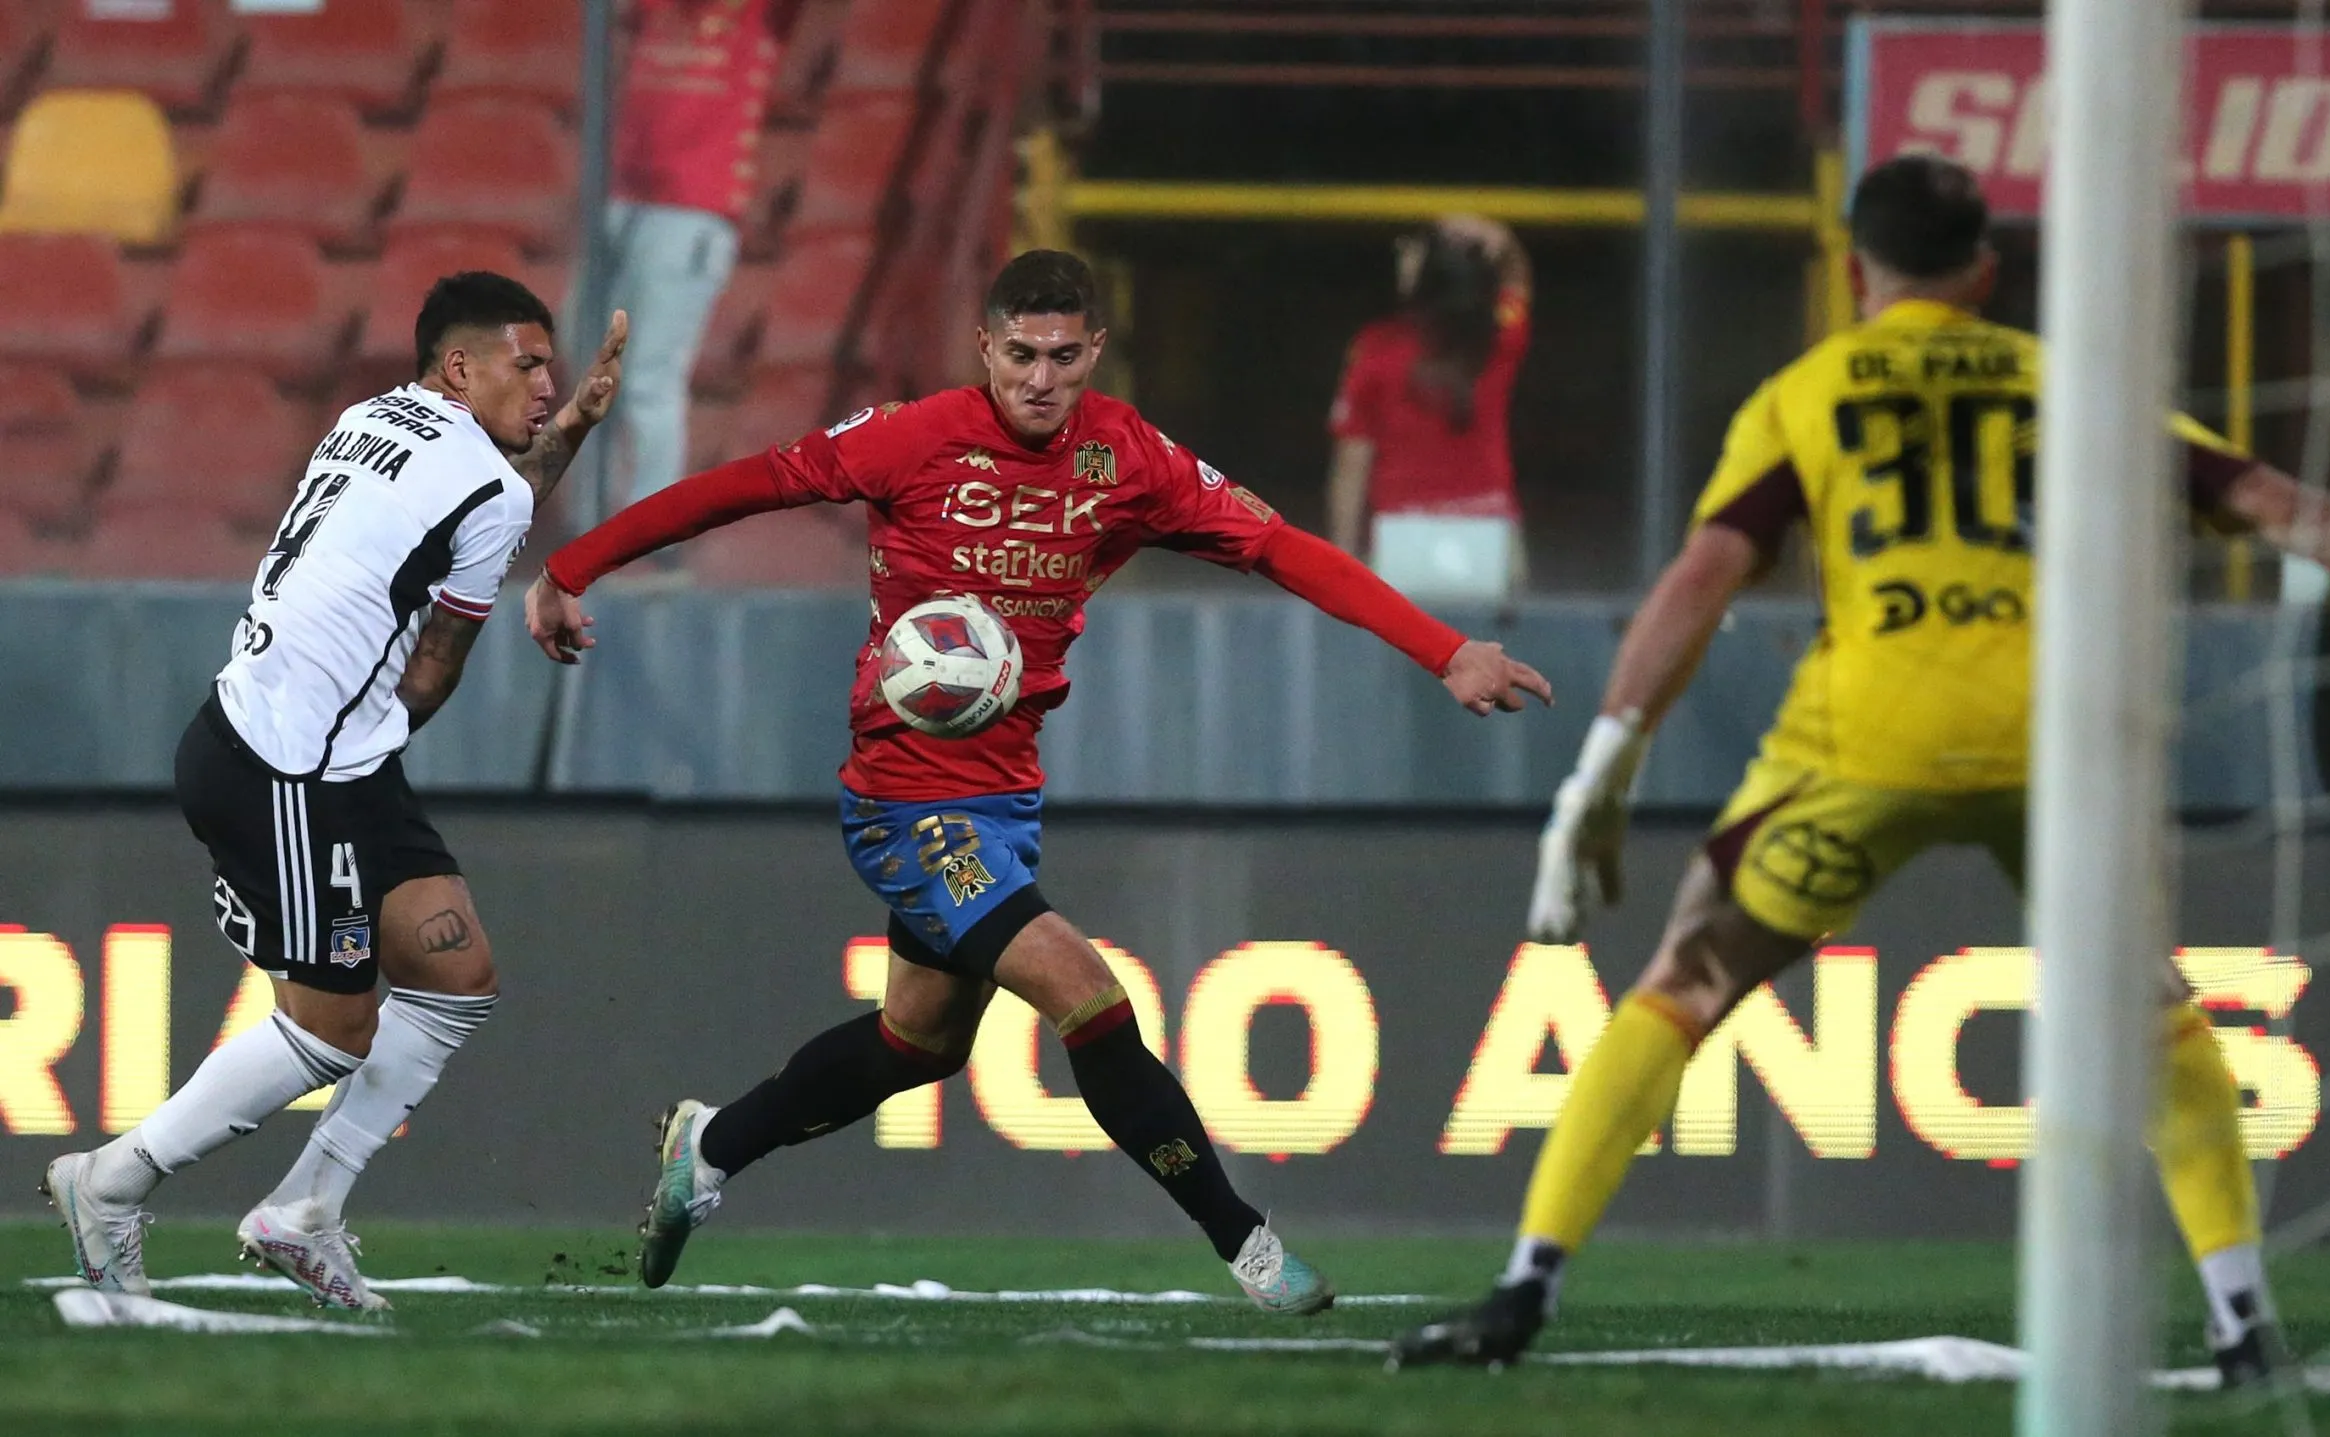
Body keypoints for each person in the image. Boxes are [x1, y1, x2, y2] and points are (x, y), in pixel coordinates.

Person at [1389, 154, 2330, 1379]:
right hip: (2054, 738)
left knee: (1686, 977)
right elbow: (2279, 504)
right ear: (1986, 272)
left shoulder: (1806, 392)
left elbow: (1701, 578)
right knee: (2150, 1011)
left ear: (1854, 273)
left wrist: (1599, 776)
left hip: (1867, 733)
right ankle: (2242, 1320)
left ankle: (1523, 1293)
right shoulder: (2073, 386)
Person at [525, 249, 1551, 1313]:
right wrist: (572, 565)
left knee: (917, 1042)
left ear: (1094, 353)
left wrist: (1442, 650)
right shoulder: (910, 438)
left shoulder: (1128, 458)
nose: (1040, 377)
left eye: (1064, 356)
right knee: (1088, 996)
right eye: (1020, 353)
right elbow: (735, 490)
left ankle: (711, 1146)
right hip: (901, 797)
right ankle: (1248, 1248)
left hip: (1001, 800)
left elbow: (1284, 550)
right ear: (985, 348)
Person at [43, 275, 628, 1311]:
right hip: (291, 770)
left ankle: (302, 1210)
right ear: (461, 368)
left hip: (306, 746)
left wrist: (571, 429)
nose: (547, 384)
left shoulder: (373, 415)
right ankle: (111, 1180)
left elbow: (482, 497)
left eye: (550, 368)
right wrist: (367, 748)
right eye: (528, 365)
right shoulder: (489, 492)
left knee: (457, 976)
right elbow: (439, 664)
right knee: (328, 1030)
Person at [602, 0, 799, 507]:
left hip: (691, 211)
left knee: (649, 379)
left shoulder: (756, 12)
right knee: (592, 371)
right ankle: (596, 511)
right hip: (619, 199)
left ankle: (652, 525)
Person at [1327, 214, 1531, 603]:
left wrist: (1342, 559)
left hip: (1400, 540)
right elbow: (1518, 283)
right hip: (1491, 533)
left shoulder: (1375, 348)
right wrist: (1502, 239)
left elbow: (1352, 463)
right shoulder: (1498, 339)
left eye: (1413, 250)